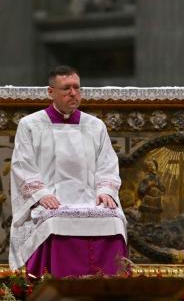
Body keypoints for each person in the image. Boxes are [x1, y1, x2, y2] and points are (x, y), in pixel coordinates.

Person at [9, 65, 127, 277]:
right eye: (66, 88)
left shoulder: (95, 126)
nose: (73, 93)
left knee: (115, 220)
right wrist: (41, 194)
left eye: (77, 87)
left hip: (91, 199)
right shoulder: (30, 125)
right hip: (50, 199)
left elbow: (108, 164)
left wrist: (106, 191)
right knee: (53, 221)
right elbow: (22, 165)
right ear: (51, 92)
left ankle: (111, 289)